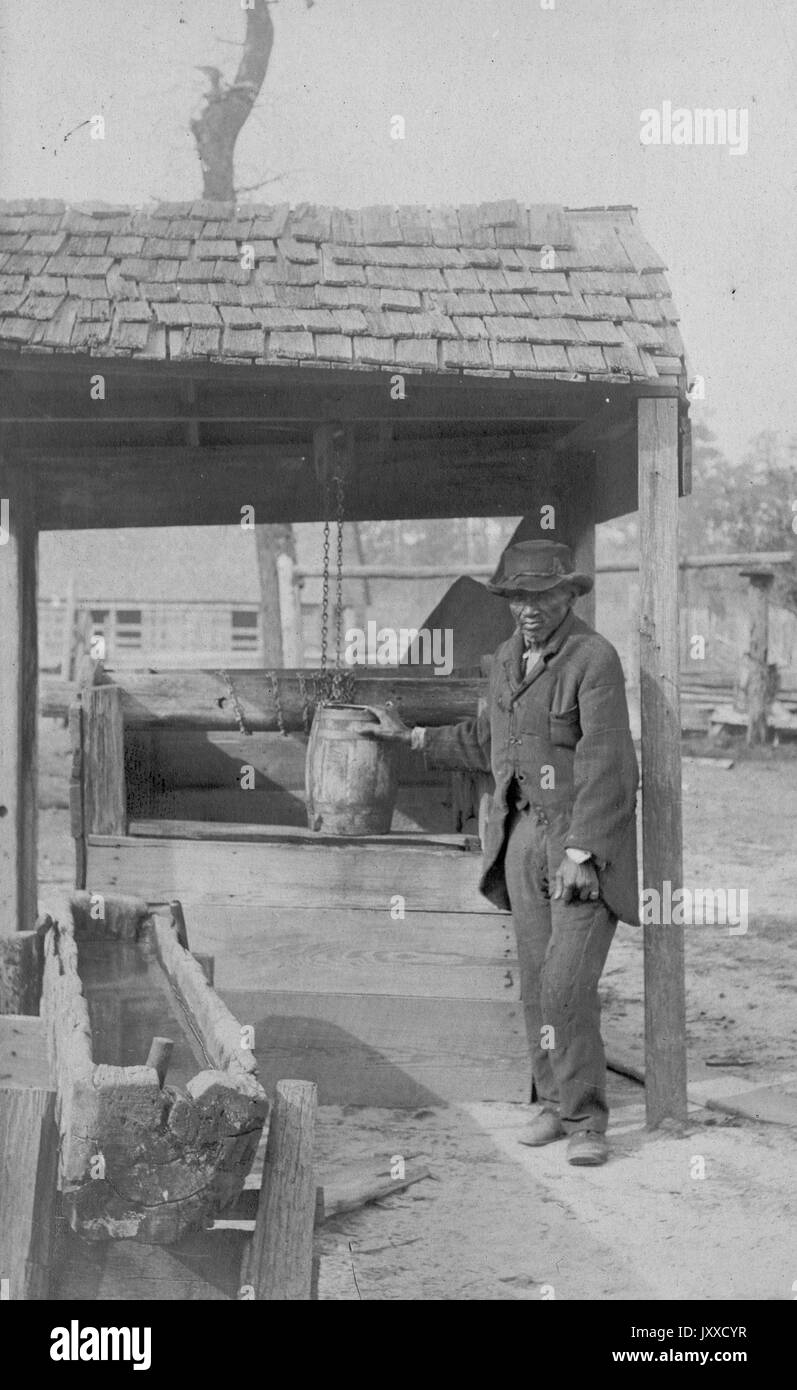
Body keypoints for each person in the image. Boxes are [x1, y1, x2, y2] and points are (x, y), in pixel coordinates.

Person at [367, 539, 639, 1166]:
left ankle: (588, 1122)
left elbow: (609, 764)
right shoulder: (504, 661)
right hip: (519, 838)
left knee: (567, 983)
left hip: (578, 847)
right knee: (535, 989)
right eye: (518, 597)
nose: (529, 609)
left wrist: (582, 851)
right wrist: (410, 738)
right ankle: (551, 1104)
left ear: (569, 594)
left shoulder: (594, 659)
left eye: (542, 595)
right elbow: (483, 738)